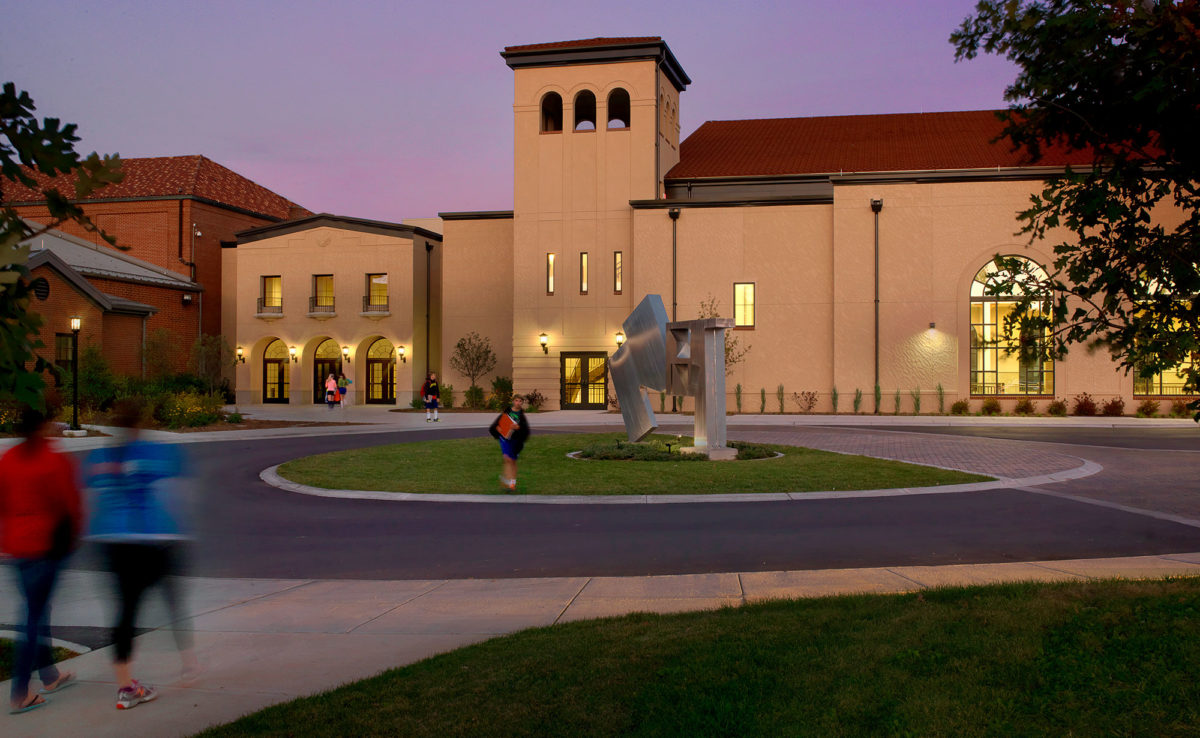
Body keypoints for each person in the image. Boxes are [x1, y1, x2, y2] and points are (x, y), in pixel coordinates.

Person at [84, 399, 197, 710]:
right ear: (138, 425)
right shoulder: (157, 453)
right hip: (154, 541)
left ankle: (125, 686)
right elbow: (177, 493)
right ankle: (188, 664)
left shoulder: (99, 457)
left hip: (112, 543)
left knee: (124, 612)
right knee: (172, 599)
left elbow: (91, 499)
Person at [0, 406, 82, 714]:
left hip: (17, 548)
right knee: (32, 616)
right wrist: (73, 537)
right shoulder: (53, 460)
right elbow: (71, 504)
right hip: (45, 548)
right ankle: (20, 692)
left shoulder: (8, 459)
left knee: (38, 607)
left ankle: (49, 675)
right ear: (42, 427)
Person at [488, 395, 530, 491]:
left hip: (516, 440)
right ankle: (507, 480)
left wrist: (518, 427)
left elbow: (525, 430)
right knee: (507, 458)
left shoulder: (521, 416)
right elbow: (497, 424)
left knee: (513, 461)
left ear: (522, 403)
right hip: (504, 439)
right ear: (513, 401)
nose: (518, 402)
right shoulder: (507, 412)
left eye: (520, 401)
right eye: (516, 400)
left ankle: (512, 483)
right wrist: (497, 428)